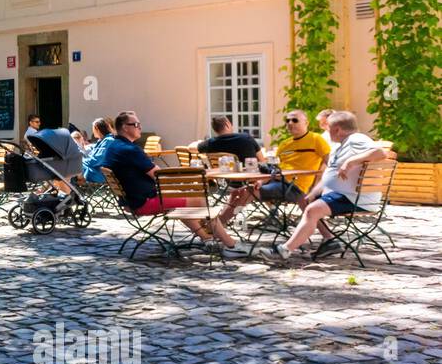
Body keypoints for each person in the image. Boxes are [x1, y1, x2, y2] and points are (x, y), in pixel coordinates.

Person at [265, 111, 387, 262]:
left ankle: (284, 250)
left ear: (337, 129)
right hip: (343, 195)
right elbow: (331, 174)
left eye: (328, 128)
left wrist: (351, 161)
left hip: (353, 198)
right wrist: (314, 192)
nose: (326, 131)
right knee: (307, 200)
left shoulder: (356, 139)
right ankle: (330, 241)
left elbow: (380, 152)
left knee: (312, 210)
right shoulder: (340, 145)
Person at [107, 110, 238, 249]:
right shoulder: (130, 150)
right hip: (143, 201)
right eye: (136, 124)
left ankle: (207, 237)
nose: (140, 127)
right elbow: (158, 175)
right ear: (125, 127)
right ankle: (230, 244)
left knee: (182, 199)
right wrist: (183, 182)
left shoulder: (114, 146)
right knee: (198, 198)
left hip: (130, 200)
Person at [195, 115, 261, 164]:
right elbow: (262, 160)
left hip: (222, 179)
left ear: (215, 130)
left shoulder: (210, 143)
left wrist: (200, 142)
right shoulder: (246, 138)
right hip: (247, 178)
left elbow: (192, 147)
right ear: (227, 124)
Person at [81, 117, 117, 185]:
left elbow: (97, 160)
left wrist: (81, 161)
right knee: (70, 165)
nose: (92, 130)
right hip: (94, 170)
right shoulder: (102, 140)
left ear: (97, 128)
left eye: (93, 128)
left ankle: (69, 190)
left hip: (99, 174)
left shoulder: (108, 140)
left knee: (72, 166)